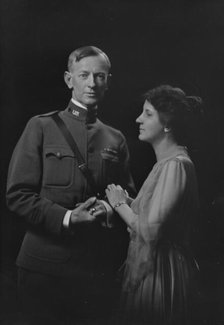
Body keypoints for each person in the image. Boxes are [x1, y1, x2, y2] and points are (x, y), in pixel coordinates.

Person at [6, 45, 135, 325]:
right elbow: (17, 194)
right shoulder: (40, 127)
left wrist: (106, 208)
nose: (92, 83)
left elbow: (127, 194)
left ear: (108, 82)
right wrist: (67, 218)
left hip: (94, 269)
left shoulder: (115, 138)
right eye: (84, 75)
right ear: (69, 80)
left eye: (100, 76)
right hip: (42, 267)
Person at [106, 85, 202, 325]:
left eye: (148, 114)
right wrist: (127, 201)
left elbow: (151, 229)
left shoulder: (175, 165)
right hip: (155, 265)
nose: (139, 119)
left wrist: (119, 204)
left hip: (161, 270)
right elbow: (154, 213)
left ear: (167, 125)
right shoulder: (167, 164)